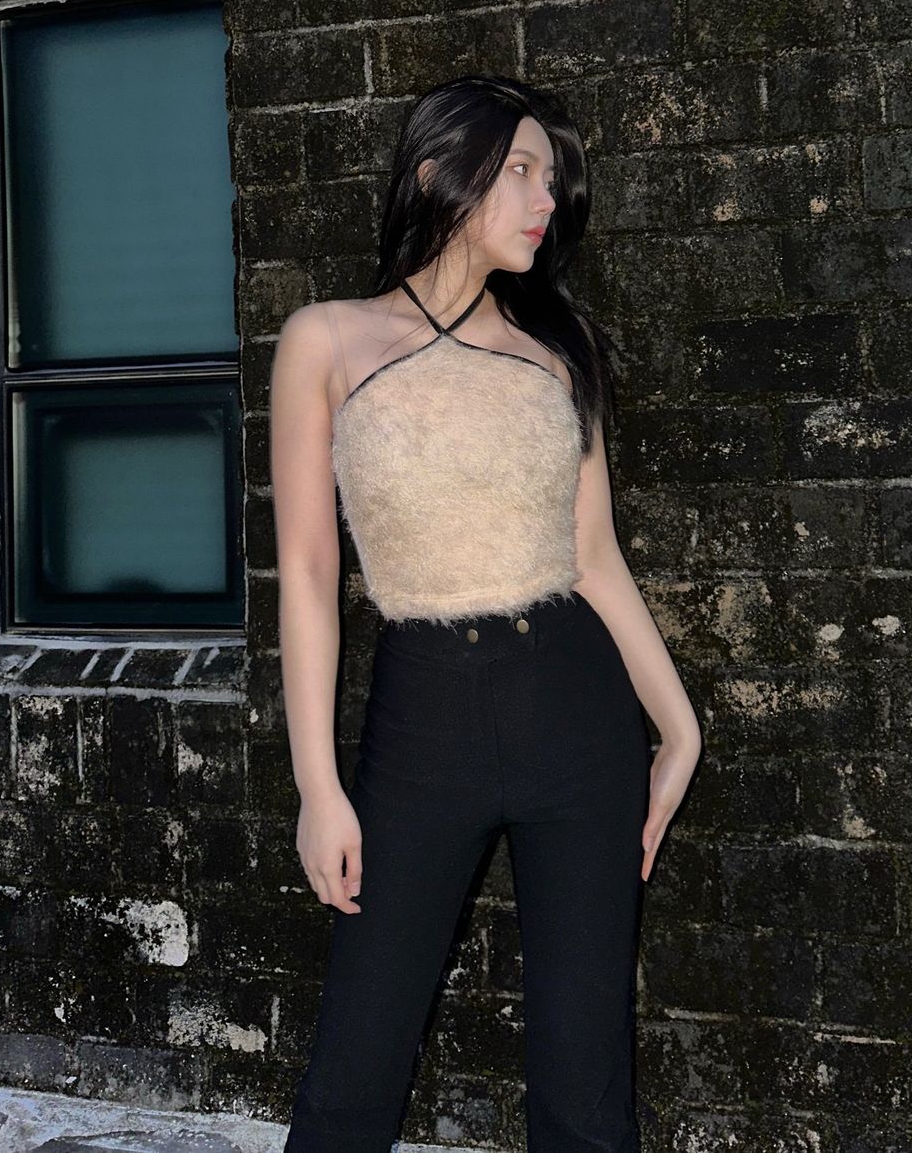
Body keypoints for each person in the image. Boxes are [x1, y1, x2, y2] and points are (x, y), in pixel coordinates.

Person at [269, 74, 702, 1153]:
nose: (544, 197)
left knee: (586, 1085)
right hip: (424, 717)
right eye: (518, 170)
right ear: (437, 173)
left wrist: (681, 726)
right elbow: (309, 572)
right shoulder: (327, 340)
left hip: (575, 710)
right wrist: (318, 787)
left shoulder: (558, 351)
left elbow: (594, 558)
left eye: (550, 177)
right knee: (353, 1071)